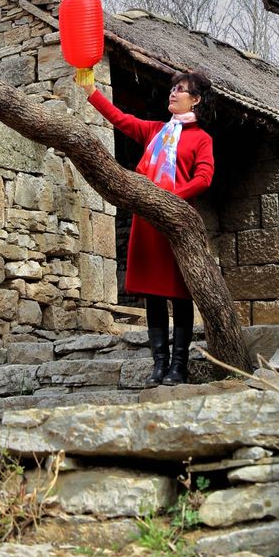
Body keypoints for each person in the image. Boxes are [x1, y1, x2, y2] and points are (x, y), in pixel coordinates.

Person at [84, 72, 214, 386]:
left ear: (195, 99)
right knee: (153, 295)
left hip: (175, 221)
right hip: (146, 222)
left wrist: (171, 197)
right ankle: (159, 365)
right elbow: (120, 118)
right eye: (172, 88)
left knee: (180, 294)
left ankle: (178, 366)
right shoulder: (156, 131)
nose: (173, 93)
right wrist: (91, 90)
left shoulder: (201, 139)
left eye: (180, 90)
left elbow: (204, 177)